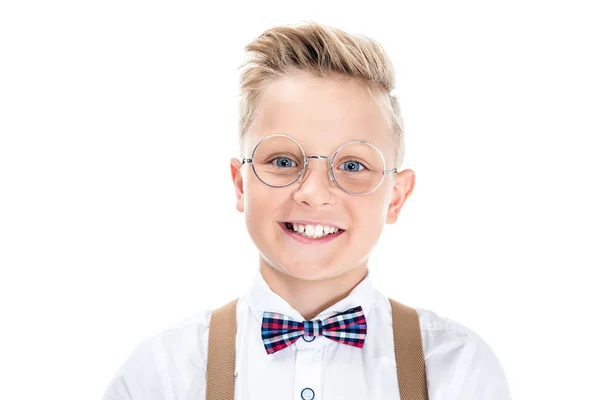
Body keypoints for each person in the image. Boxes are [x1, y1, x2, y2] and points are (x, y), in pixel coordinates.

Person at [102, 21, 511, 400]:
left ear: (397, 196)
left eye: (352, 166)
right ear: (240, 184)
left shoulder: (456, 370)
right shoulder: (164, 373)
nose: (314, 193)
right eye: (283, 161)